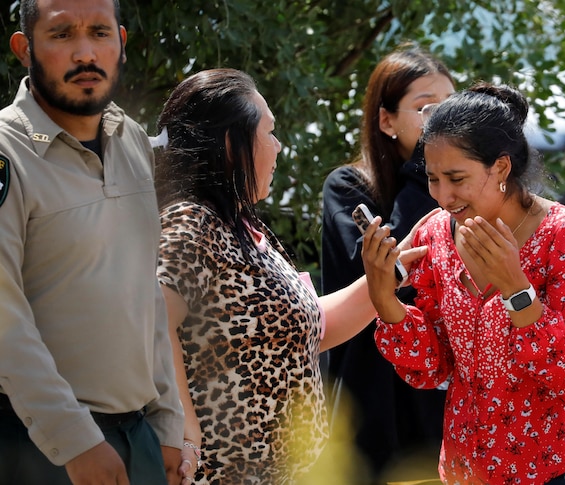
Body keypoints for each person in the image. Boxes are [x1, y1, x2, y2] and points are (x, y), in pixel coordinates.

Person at [153, 68, 429, 485]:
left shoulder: (242, 225)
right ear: (232, 143)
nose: (279, 147)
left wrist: (391, 272)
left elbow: (310, 328)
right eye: (270, 132)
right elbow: (153, 321)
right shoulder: (192, 221)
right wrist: (184, 431)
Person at [360, 82, 565, 485]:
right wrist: (384, 298)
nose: (443, 195)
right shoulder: (434, 234)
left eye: (456, 178)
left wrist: (517, 290)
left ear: (500, 167)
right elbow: (433, 369)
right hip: (469, 470)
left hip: (563, 465)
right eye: (432, 179)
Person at [0, 0, 186, 484]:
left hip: (138, 436)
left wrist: (167, 420)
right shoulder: (6, 151)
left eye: (100, 33)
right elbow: (3, 313)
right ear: (25, 48)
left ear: (121, 42)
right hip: (36, 447)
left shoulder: (132, 141)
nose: (86, 53)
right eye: (61, 35)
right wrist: (75, 440)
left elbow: (144, 289)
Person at [320, 44, 455, 483]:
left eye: (449, 107)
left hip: (440, 397)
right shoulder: (347, 188)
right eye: (426, 108)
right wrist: (427, 166)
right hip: (373, 400)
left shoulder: (461, 193)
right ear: (386, 120)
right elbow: (392, 273)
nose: (440, 119)